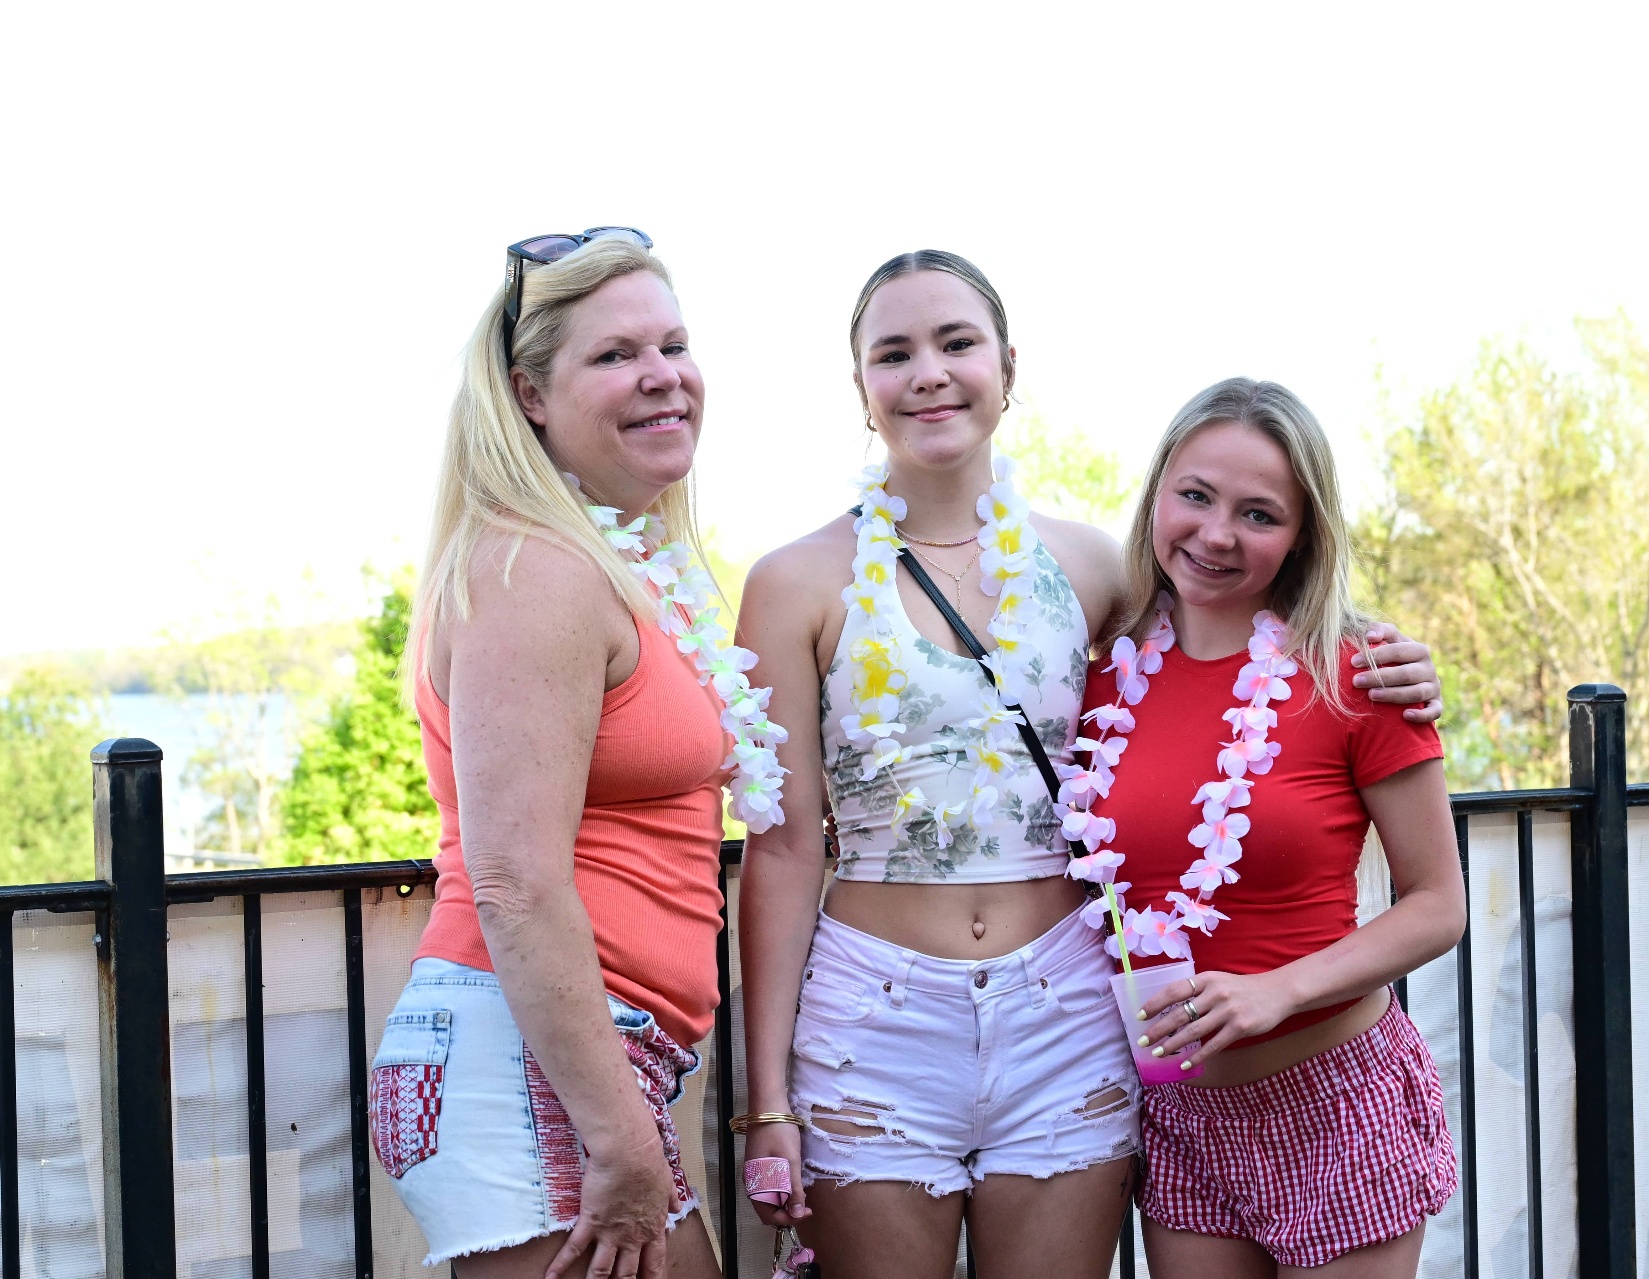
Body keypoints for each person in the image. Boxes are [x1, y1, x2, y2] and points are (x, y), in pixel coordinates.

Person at [735, 252, 1445, 1279]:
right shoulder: (791, 580)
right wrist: (768, 1102)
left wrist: (1390, 655)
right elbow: (786, 845)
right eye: (894, 352)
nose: (929, 371)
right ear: (861, 387)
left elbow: (1239, 641)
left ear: (1009, 368)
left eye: (958, 342)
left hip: (1065, 1009)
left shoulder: (1096, 570)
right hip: (874, 1015)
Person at [370, 230, 785, 1279]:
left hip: (592, 1054)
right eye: (614, 355)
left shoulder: (610, 561)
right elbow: (513, 881)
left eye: (674, 344)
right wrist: (616, 1132)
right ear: (531, 394)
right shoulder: (536, 572)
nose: (663, 377)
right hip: (529, 1062)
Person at [1068, 377, 1465, 1277]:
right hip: (1183, 1115)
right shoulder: (1101, 680)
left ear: (1302, 536)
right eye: (1196, 496)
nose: (1215, 534)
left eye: (1259, 513)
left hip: (1337, 1100)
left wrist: (1273, 992)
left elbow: (1439, 904)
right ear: (1158, 492)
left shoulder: (1360, 673)